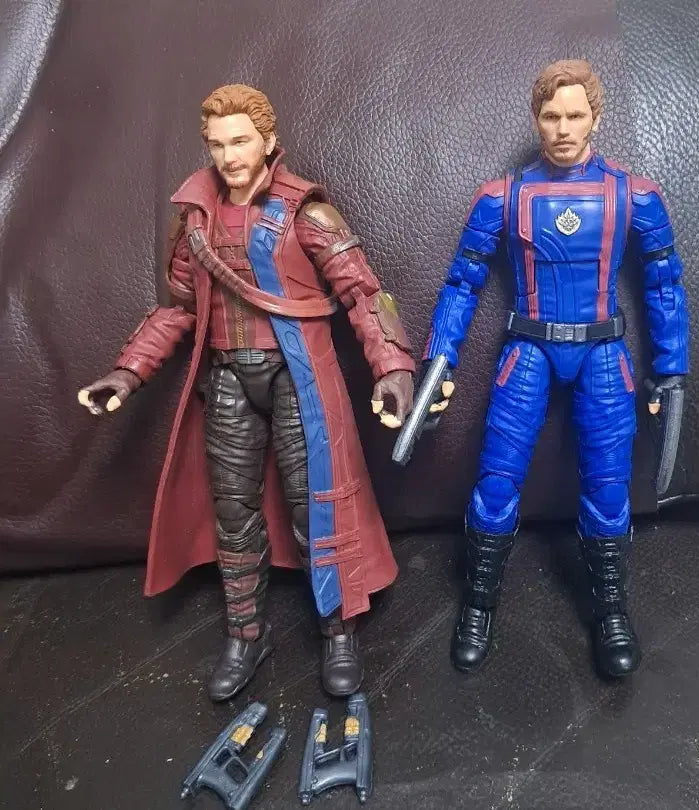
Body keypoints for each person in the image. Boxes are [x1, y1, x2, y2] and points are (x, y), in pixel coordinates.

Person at [78, 84, 415, 700]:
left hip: (298, 376)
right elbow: (178, 309)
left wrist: (391, 368)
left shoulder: (306, 213)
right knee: (233, 514)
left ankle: (337, 631)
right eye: (217, 144)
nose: (230, 155)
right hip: (228, 376)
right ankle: (245, 634)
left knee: (317, 507)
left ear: (267, 140)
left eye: (241, 141)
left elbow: (363, 293)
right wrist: (127, 372)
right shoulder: (196, 219)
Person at [421, 60, 689, 679]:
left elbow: (664, 284)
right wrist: (440, 357)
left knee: (608, 486)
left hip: (602, 352)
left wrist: (672, 369)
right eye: (551, 116)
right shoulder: (503, 196)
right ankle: (478, 604)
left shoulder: (634, 195)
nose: (563, 128)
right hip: (529, 348)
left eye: (575, 115)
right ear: (536, 120)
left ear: (596, 117)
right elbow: (462, 282)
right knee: (496, 480)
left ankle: (611, 610)